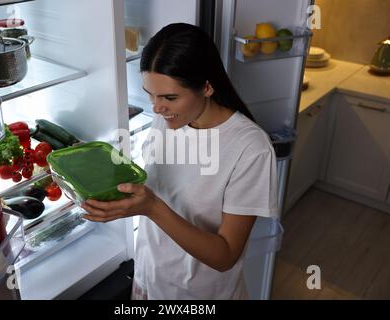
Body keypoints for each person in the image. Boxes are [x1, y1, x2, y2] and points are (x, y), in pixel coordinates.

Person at [82, 23, 278, 300]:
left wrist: (151, 207)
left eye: (169, 97)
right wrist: (93, 171)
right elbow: (158, 185)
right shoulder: (170, 119)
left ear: (207, 87)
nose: (156, 108)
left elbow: (225, 256)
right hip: (149, 279)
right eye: (150, 94)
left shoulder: (251, 147)